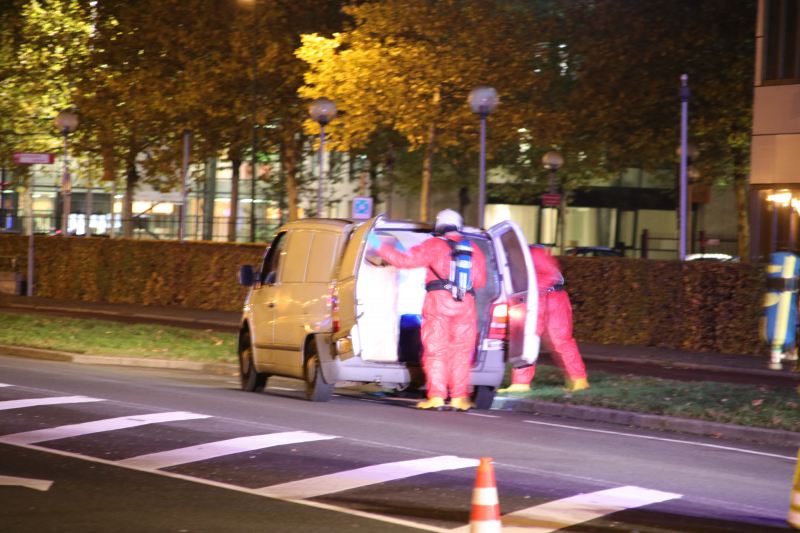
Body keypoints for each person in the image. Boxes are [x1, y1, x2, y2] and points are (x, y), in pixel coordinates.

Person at [367, 209, 486, 411]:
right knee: (461, 352)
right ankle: (458, 398)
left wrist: (377, 243)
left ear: (439, 227)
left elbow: (405, 261)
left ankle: (437, 397)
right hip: (465, 305)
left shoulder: (433, 245)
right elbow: (480, 281)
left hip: (438, 303)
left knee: (436, 350)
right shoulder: (473, 248)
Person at [499, 245, 589, 393]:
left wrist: (528, 292)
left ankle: (578, 378)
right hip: (537, 300)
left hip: (551, 299)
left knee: (560, 340)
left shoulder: (534, 253)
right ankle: (521, 383)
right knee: (525, 341)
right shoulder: (522, 256)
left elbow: (552, 276)